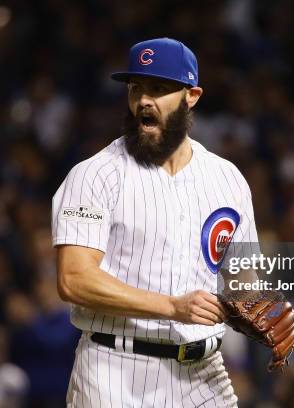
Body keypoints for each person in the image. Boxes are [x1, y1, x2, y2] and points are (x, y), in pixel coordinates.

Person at [52, 37, 259, 407]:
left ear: (191, 95)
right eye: (136, 88)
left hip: (204, 372)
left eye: (160, 88)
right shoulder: (95, 175)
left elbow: (242, 282)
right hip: (115, 370)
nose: (144, 100)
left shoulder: (228, 179)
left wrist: (259, 310)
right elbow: (74, 279)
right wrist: (170, 307)